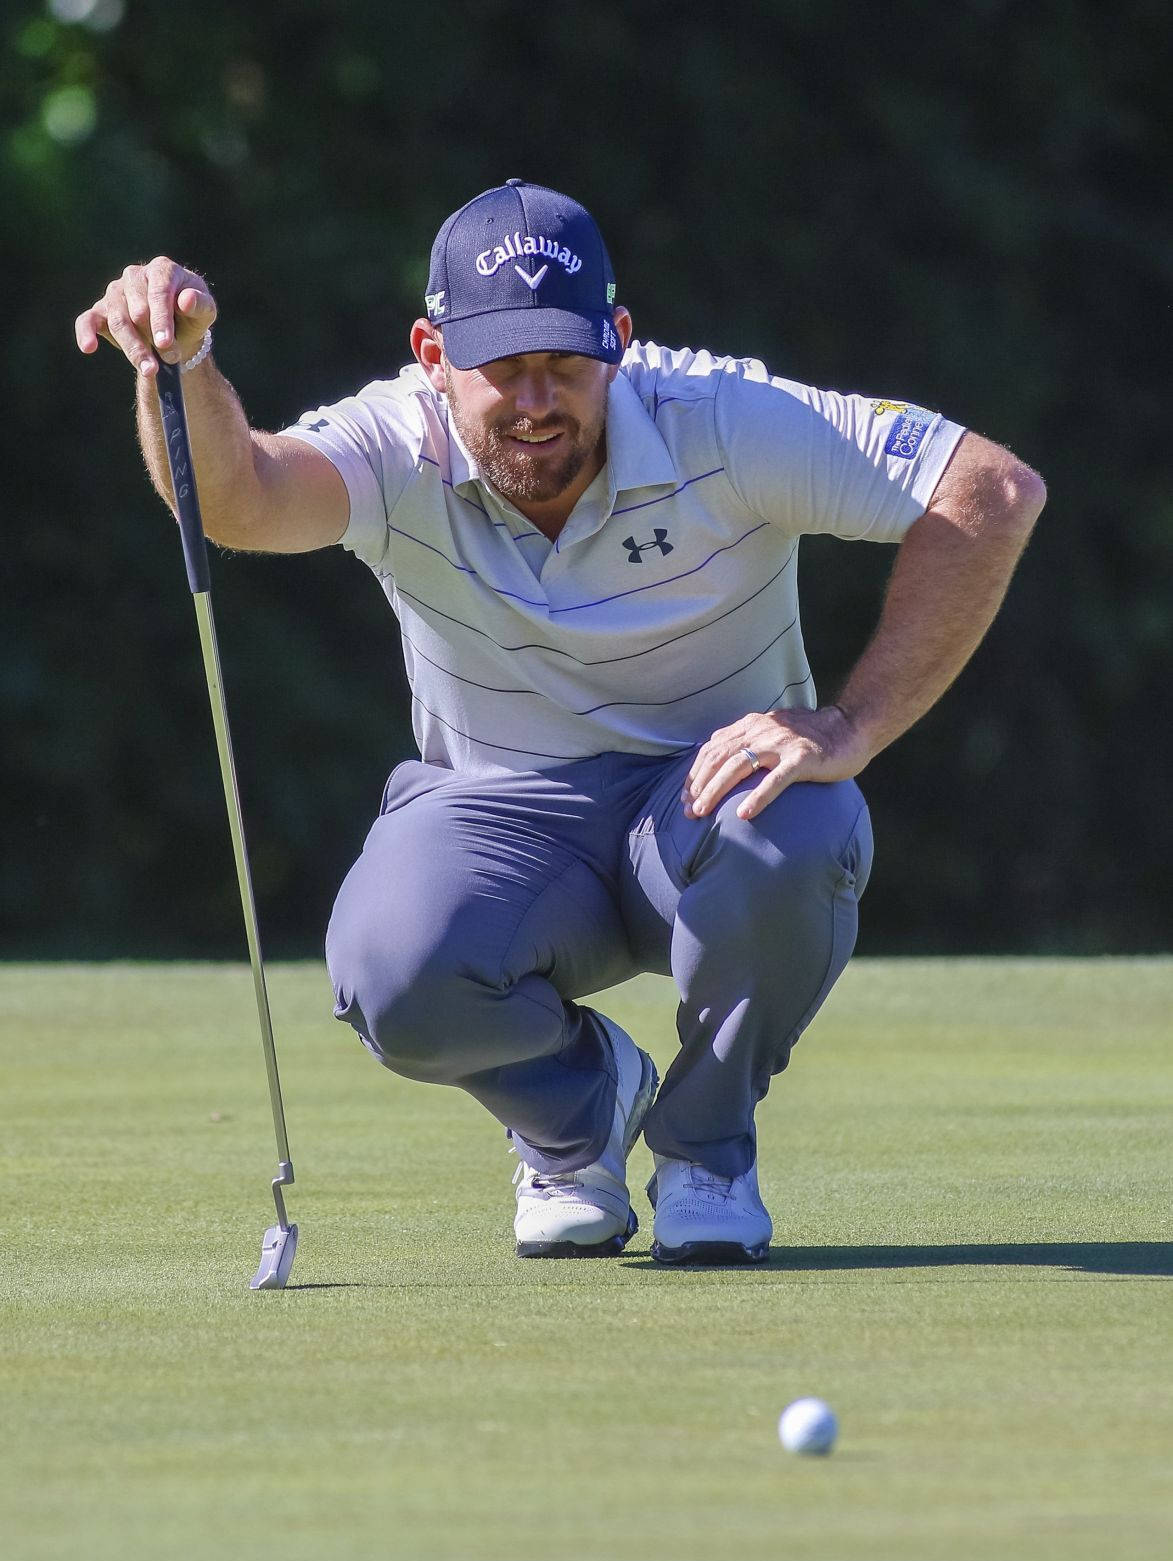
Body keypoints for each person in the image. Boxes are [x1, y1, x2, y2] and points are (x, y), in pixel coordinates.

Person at [75, 179, 1046, 1265]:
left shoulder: (722, 418)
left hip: (708, 809)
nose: (535, 399)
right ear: (433, 355)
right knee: (389, 964)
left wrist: (851, 726)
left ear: (618, 343)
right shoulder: (398, 439)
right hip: (501, 820)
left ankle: (706, 1153)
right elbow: (241, 498)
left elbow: (990, 494)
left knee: (802, 831)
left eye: (565, 363)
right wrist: (184, 369)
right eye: (502, 367)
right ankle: (581, 1120)